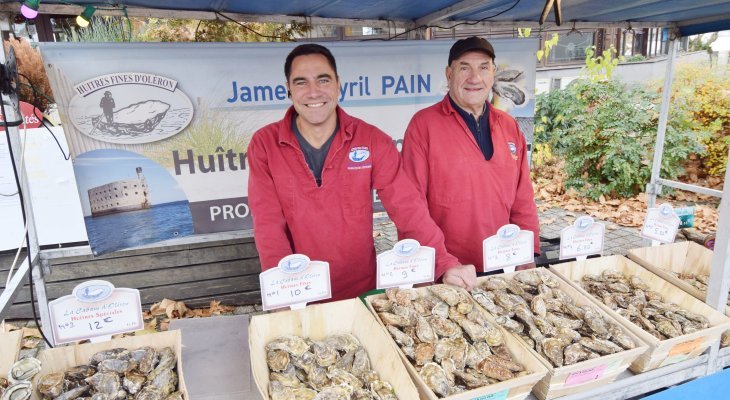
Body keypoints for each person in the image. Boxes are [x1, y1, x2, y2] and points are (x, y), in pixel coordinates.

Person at [248, 44, 476, 302]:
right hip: (298, 293)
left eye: (323, 80)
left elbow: (408, 207)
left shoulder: (371, 140)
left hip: (361, 292)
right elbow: (268, 223)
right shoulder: (265, 144)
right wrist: (282, 291)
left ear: (338, 85)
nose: (313, 92)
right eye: (301, 82)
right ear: (288, 89)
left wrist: (444, 263)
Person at [401, 36, 540, 273]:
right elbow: (410, 206)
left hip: (504, 265)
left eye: (483, 67)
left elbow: (523, 198)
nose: (474, 78)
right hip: (449, 270)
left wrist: (528, 251)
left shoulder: (509, 125)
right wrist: (442, 265)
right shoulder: (423, 126)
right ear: (449, 74)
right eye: (464, 67)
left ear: (493, 73)